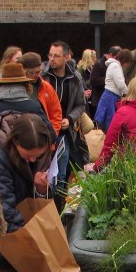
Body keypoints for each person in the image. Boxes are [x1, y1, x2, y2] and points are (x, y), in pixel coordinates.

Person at [0, 112, 56, 272]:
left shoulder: (36, 155)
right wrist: (37, 245)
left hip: (20, 244)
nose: (33, 159)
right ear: (15, 141)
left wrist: (41, 189)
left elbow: (42, 200)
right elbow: (4, 211)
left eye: (38, 155)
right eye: (28, 155)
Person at [0, 62, 52, 152]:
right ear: (25, 85)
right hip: (28, 159)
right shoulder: (33, 106)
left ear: (0, 85)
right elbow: (50, 134)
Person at [42, 40, 87, 187]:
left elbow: (81, 104)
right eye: (50, 55)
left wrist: (69, 118)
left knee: (60, 174)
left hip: (64, 132)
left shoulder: (75, 78)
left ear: (66, 57)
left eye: (56, 56)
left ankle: (58, 205)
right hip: (44, 130)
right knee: (44, 172)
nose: (52, 59)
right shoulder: (43, 76)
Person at [20, 52, 63, 135]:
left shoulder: (46, 87)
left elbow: (56, 113)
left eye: (39, 72)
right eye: (34, 72)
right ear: (25, 72)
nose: (38, 75)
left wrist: (52, 135)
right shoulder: (15, 88)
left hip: (43, 137)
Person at [94, 47, 132, 131]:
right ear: (124, 60)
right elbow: (120, 84)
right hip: (110, 97)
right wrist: (129, 93)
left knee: (108, 123)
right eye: (128, 63)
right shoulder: (115, 66)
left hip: (111, 97)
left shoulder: (115, 65)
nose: (127, 65)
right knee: (109, 125)